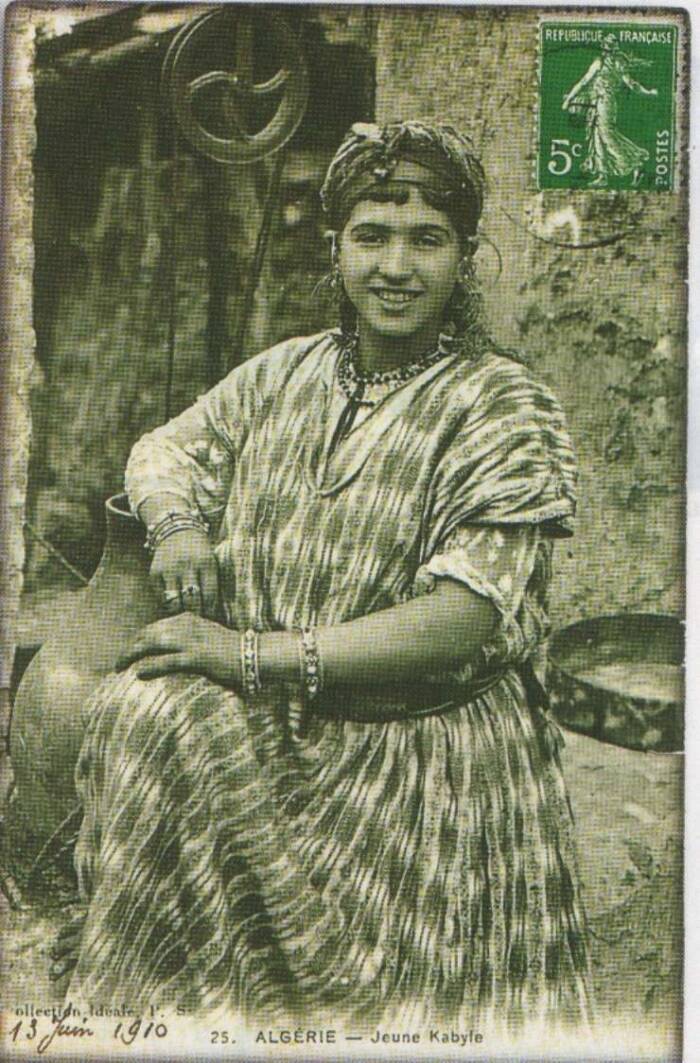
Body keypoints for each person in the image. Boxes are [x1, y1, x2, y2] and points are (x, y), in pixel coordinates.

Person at [61, 120, 593, 1032]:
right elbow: (164, 449)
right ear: (335, 247)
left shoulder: (499, 403)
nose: (396, 266)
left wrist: (251, 653)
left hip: (423, 764)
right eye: (371, 236)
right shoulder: (293, 371)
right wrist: (180, 525)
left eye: (428, 239)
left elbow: (460, 619)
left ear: (466, 256)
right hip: (292, 730)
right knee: (150, 707)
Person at [562, 33, 658, 188]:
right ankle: (602, 175)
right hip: (603, 103)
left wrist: (568, 99)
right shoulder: (619, 63)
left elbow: (584, 81)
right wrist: (648, 92)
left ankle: (634, 163)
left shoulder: (601, 62)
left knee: (606, 135)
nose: (608, 51)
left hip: (603, 103)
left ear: (605, 49)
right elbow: (631, 84)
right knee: (597, 136)